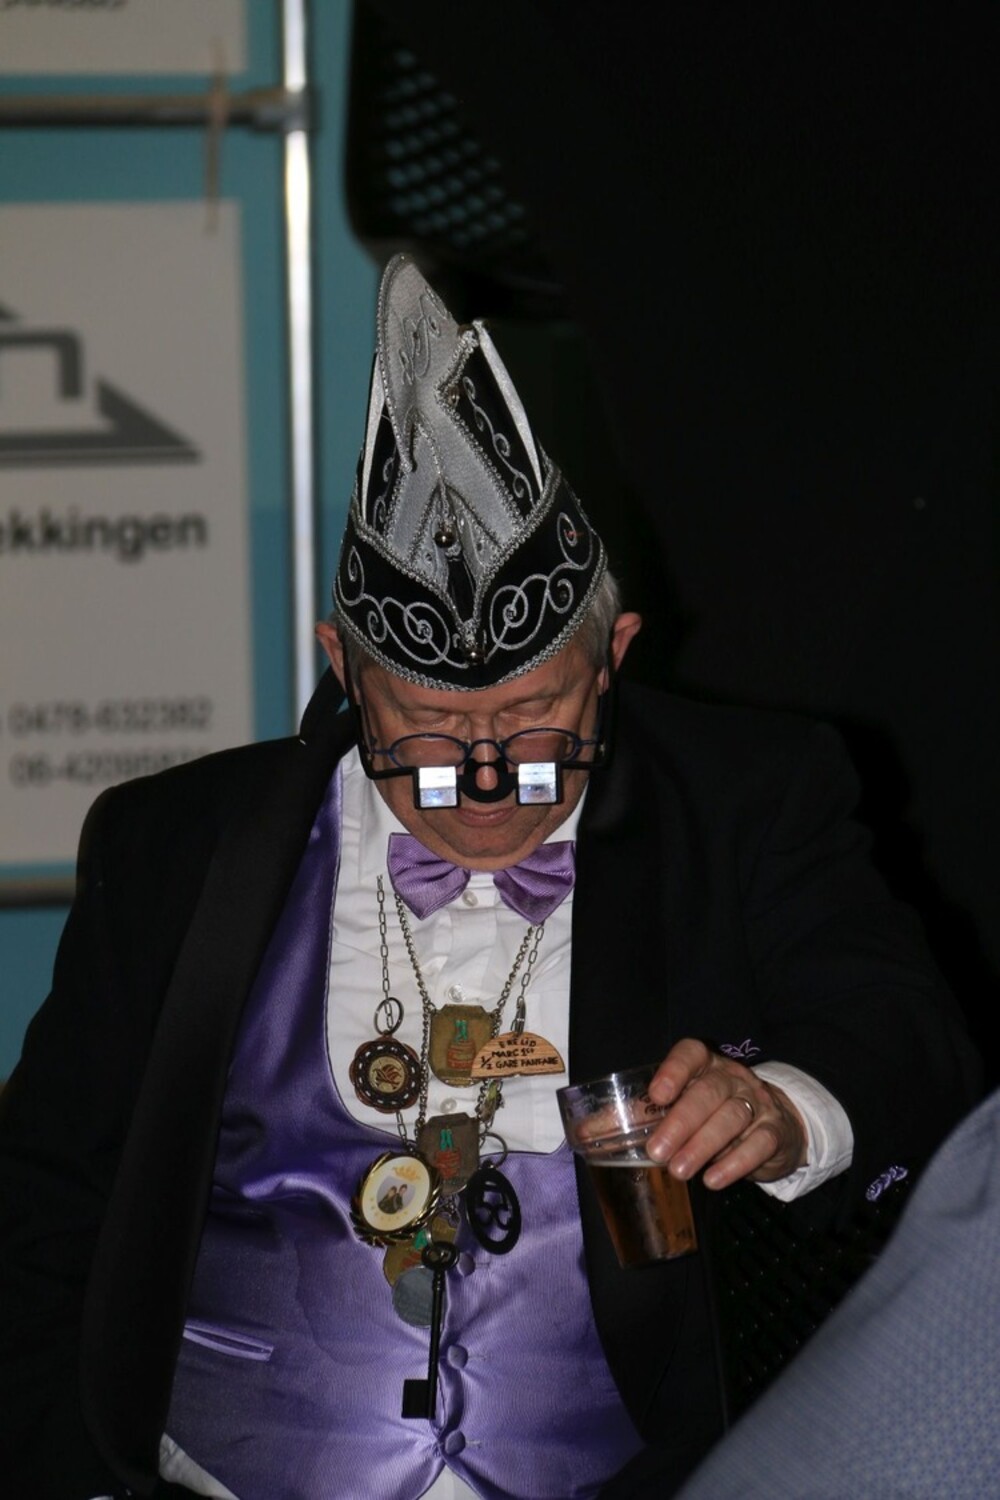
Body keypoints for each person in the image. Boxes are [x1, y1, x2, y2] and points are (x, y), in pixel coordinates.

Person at [0, 255, 981, 1500]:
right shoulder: (175, 845)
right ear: (342, 670)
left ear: (615, 656)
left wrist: (783, 1105)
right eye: (422, 733)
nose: (480, 786)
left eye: (531, 725)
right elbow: (44, 1202)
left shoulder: (747, 798)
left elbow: (907, 1038)